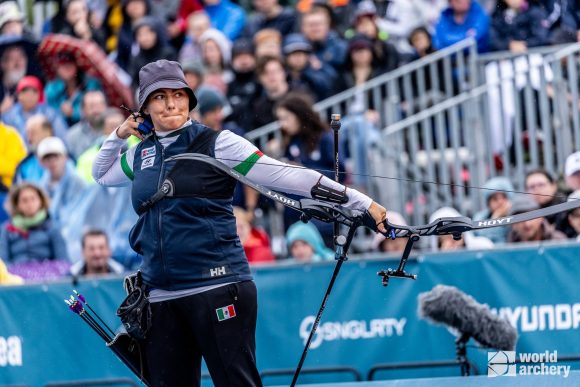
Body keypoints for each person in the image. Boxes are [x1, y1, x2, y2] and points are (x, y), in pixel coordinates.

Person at [91, 59, 386, 385]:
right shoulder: (140, 154)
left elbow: (288, 175)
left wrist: (361, 202)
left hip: (217, 286)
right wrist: (119, 134)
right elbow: (101, 174)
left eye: (178, 93)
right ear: (143, 107)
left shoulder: (219, 143)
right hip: (160, 295)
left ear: (190, 99)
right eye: (159, 97)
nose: (171, 103)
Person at [0, 182, 69, 264]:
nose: (30, 204)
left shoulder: (52, 227)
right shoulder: (7, 229)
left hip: (48, 274)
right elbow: (3, 261)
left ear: (41, 201)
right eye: (24, 200)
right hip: (15, 274)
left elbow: (63, 260)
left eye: (33, 199)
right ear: (17, 204)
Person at [65, 90, 108, 159]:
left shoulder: (116, 130)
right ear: (83, 110)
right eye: (92, 106)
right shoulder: (72, 136)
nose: (96, 110)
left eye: (100, 105)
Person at [472, 176, 514, 244]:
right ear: (488, 204)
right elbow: (483, 239)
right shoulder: (479, 218)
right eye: (495, 199)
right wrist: (495, 219)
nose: (500, 202)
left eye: (503, 197)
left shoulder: (516, 215)